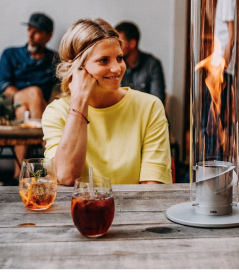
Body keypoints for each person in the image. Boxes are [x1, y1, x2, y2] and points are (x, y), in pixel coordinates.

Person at [42, 19, 172, 186]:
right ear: (77, 67)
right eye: (103, 60)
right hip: (77, 211)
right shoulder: (56, 112)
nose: (117, 68)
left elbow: (153, 188)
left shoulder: (149, 107)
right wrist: (79, 102)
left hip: (137, 210)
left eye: (119, 58)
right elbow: (65, 176)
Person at [0, 12, 59, 178]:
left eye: (36, 31)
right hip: (10, 104)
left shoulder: (55, 59)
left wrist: (36, 104)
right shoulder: (10, 54)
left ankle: (19, 176)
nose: (30, 35)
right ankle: (52, 163)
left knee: (24, 109)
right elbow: (4, 86)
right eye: (29, 29)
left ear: (48, 36)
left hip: (35, 111)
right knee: (33, 93)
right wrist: (32, 97)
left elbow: (63, 87)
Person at [115, 22, 166, 106]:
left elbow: (158, 101)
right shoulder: (116, 65)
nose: (116, 46)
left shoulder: (152, 65)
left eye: (120, 42)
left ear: (132, 44)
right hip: (124, 115)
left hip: (148, 116)